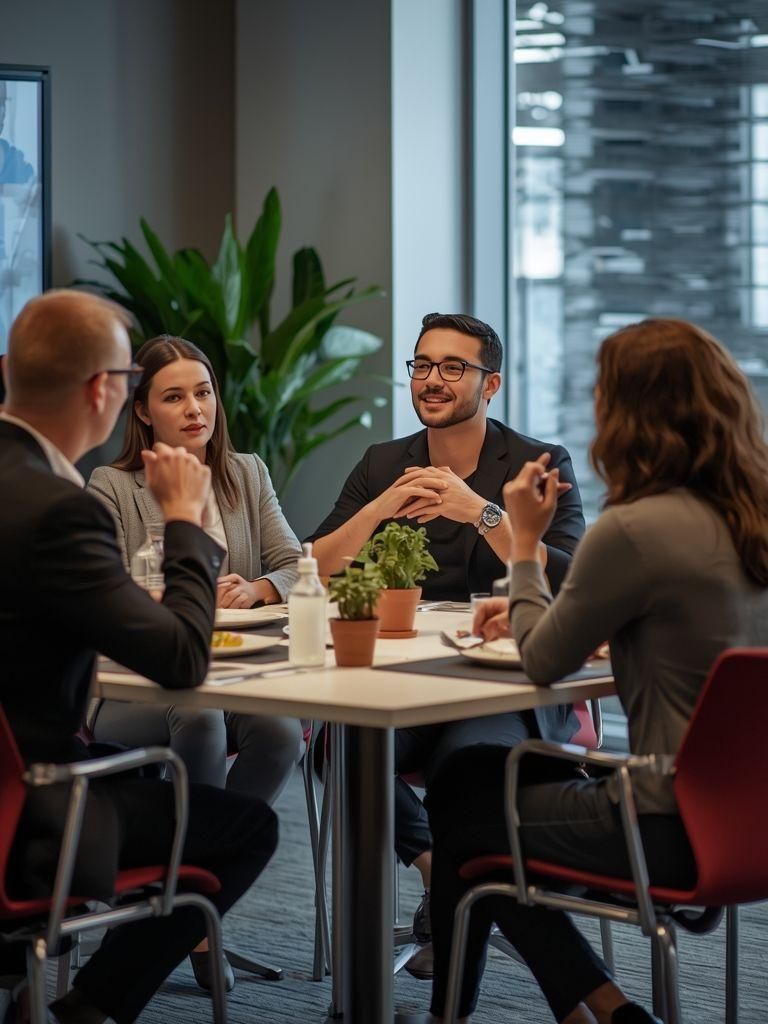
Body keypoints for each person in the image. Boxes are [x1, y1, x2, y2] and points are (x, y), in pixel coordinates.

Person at [426, 318, 768, 1024]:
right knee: (487, 785)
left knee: (464, 802)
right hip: (750, 820)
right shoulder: (751, 516)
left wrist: (523, 547)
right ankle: (598, 1010)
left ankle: (601, 1012)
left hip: (668, 826)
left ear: (628, 413)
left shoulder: (637, 527)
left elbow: (544, 661)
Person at [0, 290, 278, 1024]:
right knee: (248, 829)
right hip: (33, 813)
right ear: (105, 391)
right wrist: (185, 520)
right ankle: (93, 1005)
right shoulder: (63, 507)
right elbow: (183, 662)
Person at [309, 312, 585, 972]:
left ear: (490, 386)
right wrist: (379, 509)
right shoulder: (385, 463)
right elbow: (315, 566)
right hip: (408, 678)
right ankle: (442, 872)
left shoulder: (536, 462)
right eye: (423, 365)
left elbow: (572, 583)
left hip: (504, 686)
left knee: (469, 769)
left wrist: (479, 511)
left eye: (452, 367)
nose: (432, 380)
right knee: (338, 746)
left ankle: (456, 923)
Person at [88, 336, 304, 814]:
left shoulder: (247, 474)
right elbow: (108, 596)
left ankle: (209, 862)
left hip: (229, 675)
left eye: (203, 393)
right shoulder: (113, 486)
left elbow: (294, 564)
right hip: (136, 683)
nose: (194, 409)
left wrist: (259, 587)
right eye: (174, 397)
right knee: (199, 715)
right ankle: (194, 865)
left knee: (282, 732)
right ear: (143, 412)